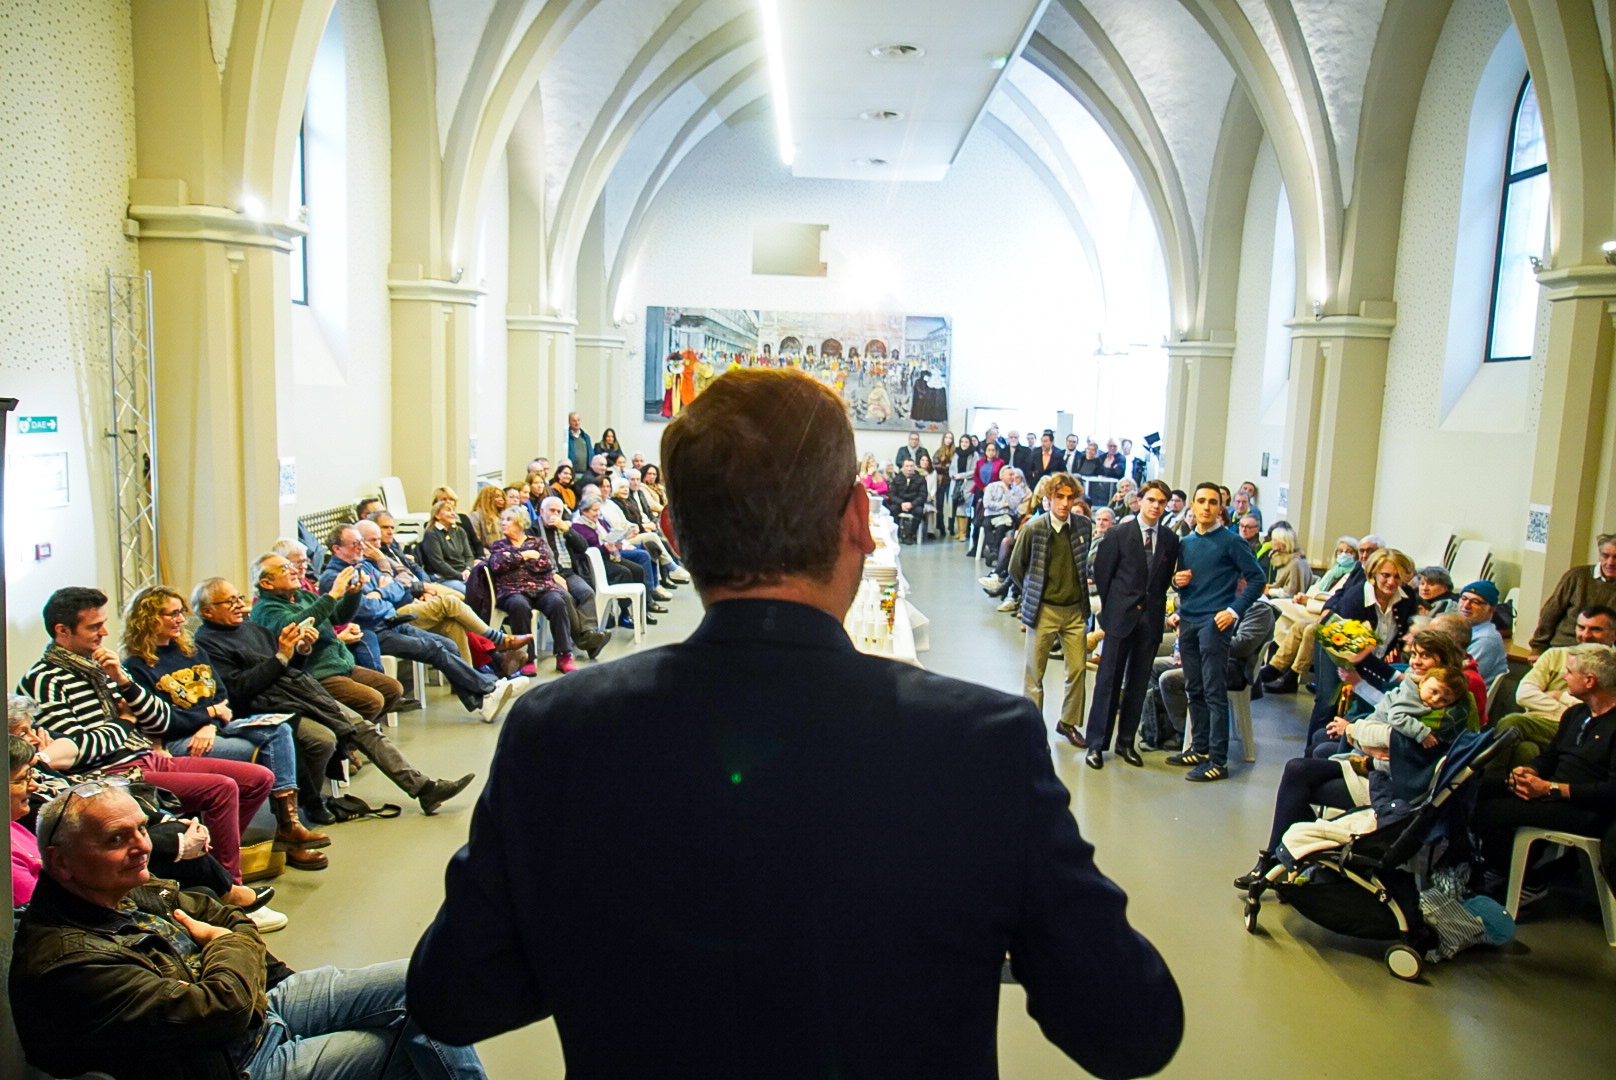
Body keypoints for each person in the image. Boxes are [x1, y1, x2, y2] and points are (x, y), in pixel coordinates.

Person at [409, 368, 1182, 1077]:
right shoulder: (981, 744)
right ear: (857, 518)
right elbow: (1130, 1026)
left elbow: (454, 997)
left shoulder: (557, 732)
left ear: (674, 533)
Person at [11, 783, 488, 1080]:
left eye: (140, 829)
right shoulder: (66, 960)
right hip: (235, 1063)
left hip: (262, 1004)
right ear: (61, 863)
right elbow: (216, 1008)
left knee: (429, 978)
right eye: (117, 838)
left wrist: (225, 949)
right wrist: (227, 947)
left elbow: (224, 915)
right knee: (399, 1047)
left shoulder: (122, 888)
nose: (141, 847)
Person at [18, 587, 275, 888]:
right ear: (62, 631)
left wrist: (124, 682)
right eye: (93, 626)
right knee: (222, 788)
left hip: (145, 756)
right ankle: (230, 885)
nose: (103, 632)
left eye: (103, 623)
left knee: (259, 778)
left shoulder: (100, 666)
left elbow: (160, 719)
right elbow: (78, 750)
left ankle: (213, 867)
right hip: (112, 773)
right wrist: (125, 724)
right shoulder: (44, 680)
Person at [193, 578, 475, 817]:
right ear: (207, 611)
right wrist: (281, 656)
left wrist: (300, 650)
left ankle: (425, 789)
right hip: (266, 707)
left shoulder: (253, 628)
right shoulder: (208, 643)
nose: (238, 605)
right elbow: (240, 689)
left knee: (363, 727)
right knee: (323, 739)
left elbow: (289, 669)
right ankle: (308, 804)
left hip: (298, 691)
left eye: (238, 598)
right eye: (228, 602)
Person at [120, 586, 332, 871]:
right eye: (171, 614)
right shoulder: (135, 666)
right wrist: (207, 716)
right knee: (263, 751)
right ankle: (277, 835)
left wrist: (208, 720)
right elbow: (164, 720)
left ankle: (288, 824)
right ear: (147, 619)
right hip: (180, 742)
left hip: (214, 727)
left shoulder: (190, 651)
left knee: (280, 729)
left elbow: (222, 695)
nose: (181, 620)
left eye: (181, 613)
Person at [1473, 643, 1616, 896]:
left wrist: (1551, 789)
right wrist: (1530, 771)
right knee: (1476, 789)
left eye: (1569, 672)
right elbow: (1550, 756)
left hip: (1588, 809)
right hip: (1553, 791)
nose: (1563, 677)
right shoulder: (1576, 713)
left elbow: (1611, 791)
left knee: (1491, 811)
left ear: (1590, 680)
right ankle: (1506, 870)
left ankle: (1523, 879)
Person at [1164, 482, 1265, 782]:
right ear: (1192, 506)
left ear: (1221, 507)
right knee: (1193, 687)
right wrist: (1175, 582)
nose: (1206, 507)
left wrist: (1233, 611)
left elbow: (1257, 579)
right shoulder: (1186, 543)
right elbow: (1181, 582)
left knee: (1213, 690)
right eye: (1201, 502)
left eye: (1212, 502)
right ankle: (1199, 747)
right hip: (1189, 620)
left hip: (1215, 622)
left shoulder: (1232, 542)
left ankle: (1218, 761)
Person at [1084, 480, 1180, 768]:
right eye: (1151, 500)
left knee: (1138, 683)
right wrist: (1115, 607)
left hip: (1149, 620)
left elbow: (1163, 581)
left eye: (1162, 502)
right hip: (1120, 617)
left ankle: (1126, 741)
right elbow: (1103, 574)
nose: (1156, 506)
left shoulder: (1170, 539)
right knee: (1108, 682)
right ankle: (1096, 744)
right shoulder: (1118, 534)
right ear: (1139, 501)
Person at [1007, 473, 1095, 748]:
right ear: (1048, 499)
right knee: (1035, 673)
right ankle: (1032, 728)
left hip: (1075, 611)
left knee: (1078, 669)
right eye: (1060, 497)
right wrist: (1034, 593)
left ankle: (1067, 723)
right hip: (1044, 609)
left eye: (1070, 497)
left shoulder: (1083, 526)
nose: (1065, 503)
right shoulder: (1034, 528)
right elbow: (1015, 568)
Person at [487, 508, 610, 673]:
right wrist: (524, 556)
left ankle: (564, 655)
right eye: (503, 519)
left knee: (558, 602)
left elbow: (546, 564)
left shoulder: (537, 542)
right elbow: (497, 564)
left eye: (508, 519)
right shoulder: (499, 545)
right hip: (513, 590)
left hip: (541, 587)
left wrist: (514, 559)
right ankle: (526, 658)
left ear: (520, 523)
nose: (503, 523)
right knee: (519, 606)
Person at [1492, 605, 1616, 769]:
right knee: (1526, 750)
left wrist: (1560, 696)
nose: (1585, 635)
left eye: (1596, 629)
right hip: (1540, 722)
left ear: (1614, 634)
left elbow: (1602, 708)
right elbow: (1524, 694)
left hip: (1583, 728)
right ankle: (1517, 787)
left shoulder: (1612, 666)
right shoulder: (1556, 654)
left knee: (1512, 721)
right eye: (1581, 627)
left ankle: (1486, 783)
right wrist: (1564, 710)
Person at [1529, 533, 1616, 657]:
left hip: (1603, 656)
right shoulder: (1577, 576)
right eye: (1605, 556)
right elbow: (1550, 613)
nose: (1610, 562)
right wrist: (1537, 648)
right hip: (1564, 649)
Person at [1457, 579, 1510, 684]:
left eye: (1476, 602)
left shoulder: (1485, 639)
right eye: (1464, 598)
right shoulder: (1463, 629)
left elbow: (1460, 678)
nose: (1466, 605)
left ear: (1491, 610)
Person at [419, 497, 480, 584]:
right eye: (448, 510)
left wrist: (468, 570)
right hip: (443, 576)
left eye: (453, 511)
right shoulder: (431, 534)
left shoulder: (460, 531)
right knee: (469, 592)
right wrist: (460, 575)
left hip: (464, 574)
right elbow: (438, 563)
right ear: (437, 515)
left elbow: (469, 556)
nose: (453, 514)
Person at [885, 456, 927, 544]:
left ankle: (910, 534)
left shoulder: (920, 479)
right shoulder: (897, 479)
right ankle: (897, 534)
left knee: (919, 511)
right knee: (892, 509)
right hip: (900, 503)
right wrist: (901, 503)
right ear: (903, 467)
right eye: (907, 466)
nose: (909, 468)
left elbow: (923, 495)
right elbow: (892, 495)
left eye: (911, 466)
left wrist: (912, 504)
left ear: (914, 467)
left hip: (914, 504)